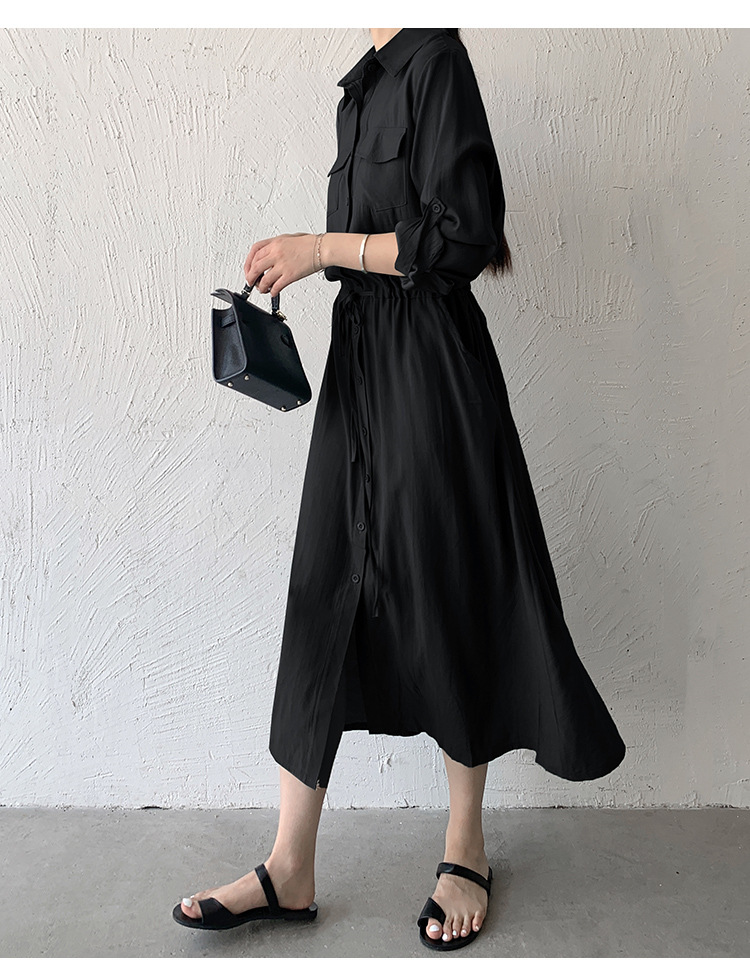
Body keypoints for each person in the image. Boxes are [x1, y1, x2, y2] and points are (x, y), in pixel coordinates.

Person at [173, 27, 627, 950]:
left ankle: (466, 847)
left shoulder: (437, 62)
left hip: (431, 368)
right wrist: (308, 259)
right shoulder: (362, 86)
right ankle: (289, 865)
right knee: (323, 586)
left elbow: (463, 235)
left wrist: (319, 244)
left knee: (445, 582)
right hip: (361, 365)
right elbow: (377, 242)